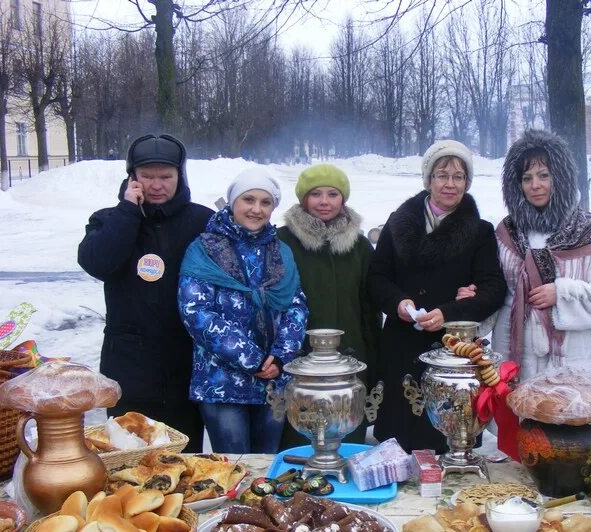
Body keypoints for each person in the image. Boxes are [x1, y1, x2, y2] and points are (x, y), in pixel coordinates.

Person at [367, 140, 507, 452]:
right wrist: (399, 303)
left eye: (459, 177)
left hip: (453, 351)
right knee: (398, 438)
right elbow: (377, 278)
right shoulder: (398, 222)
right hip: (401, 343)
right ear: (429, 179)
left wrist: (450, 311)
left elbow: (493, 288)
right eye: (442, 175)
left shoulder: (480, 232)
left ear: (467, 183)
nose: (450, 184)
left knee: (446, 439)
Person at [78, 134, 212, 452]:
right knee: (128, 454)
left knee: (183, 456)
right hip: (129, 361)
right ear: (132, 177)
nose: (156, 185)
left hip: (185, 360)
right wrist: (128, 211)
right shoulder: (109, 219)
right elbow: (98, 263)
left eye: (166, 176)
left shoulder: (202, 221)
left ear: (180, 176)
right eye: (147, 176)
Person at [178, 168, 309, 454]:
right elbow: (196, 312)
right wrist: (253, 359)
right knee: (235, 467)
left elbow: (295, 304)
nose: (256, 209)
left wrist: (282, 355)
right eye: (248, 199)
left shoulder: (280, 251)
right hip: (222, 383)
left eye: (265, 202)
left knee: (266, 465)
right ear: (233, 202)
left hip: (273, 382)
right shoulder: (204, 249)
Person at [490, 129, 591, 381]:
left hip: (570, 366)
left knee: (563, 419)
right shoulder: (507, 232)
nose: (535, 185)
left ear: (560, 178)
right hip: (513, 363)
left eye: (544, 175)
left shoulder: (587, 229)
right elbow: (495, 290)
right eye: (526, 178)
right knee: (516, 420)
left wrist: (562, 293)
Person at [276, 164, 381, 450]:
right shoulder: (283, 241)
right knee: (300, 438)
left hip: (351, 358)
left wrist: (373, 357)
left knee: (347, 438)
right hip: (300, 359)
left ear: (342, 199)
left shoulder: (358, 246)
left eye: (333, 194)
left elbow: (370, 307)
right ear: (303, 199)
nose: (324, 202)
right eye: (316, 194)